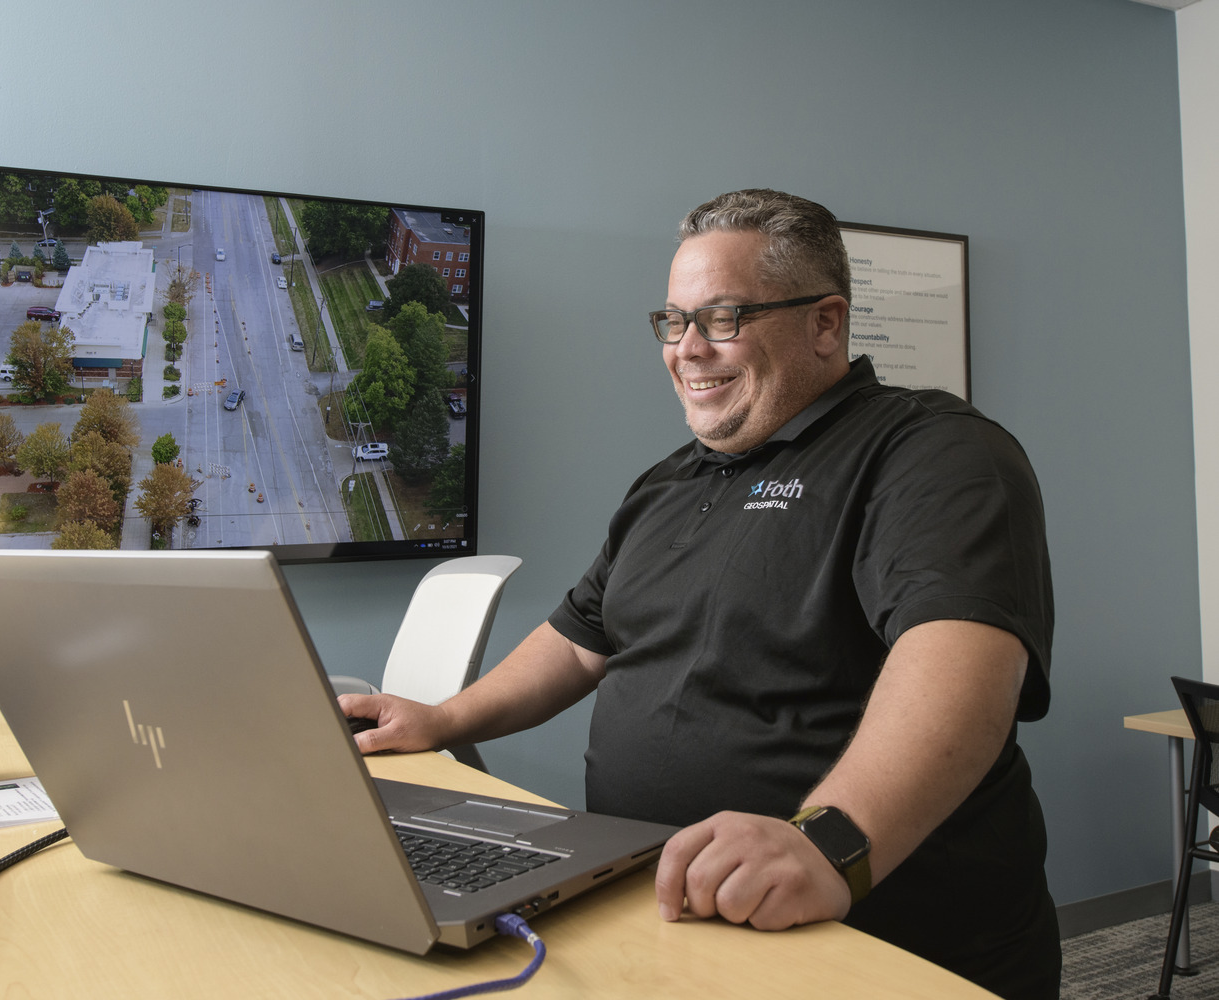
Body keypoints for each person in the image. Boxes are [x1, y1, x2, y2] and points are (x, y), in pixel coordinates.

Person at [339, 189, 1058, 1000]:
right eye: (672, 322)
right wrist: (440, 719)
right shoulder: (669, 482)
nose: (687, 349)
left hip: (877, 938)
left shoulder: (932, 450)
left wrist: (832, 844)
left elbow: (963, 666)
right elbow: (579, 641)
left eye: (722, 319)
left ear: (825, 322)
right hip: (678, 917)